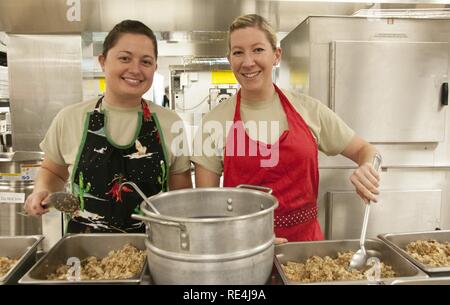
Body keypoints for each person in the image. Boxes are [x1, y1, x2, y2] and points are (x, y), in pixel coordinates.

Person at [191, 14, 380, 242]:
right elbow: (205, 207)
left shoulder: (309, 110)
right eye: (238, 52)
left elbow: (366, 150)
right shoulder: (215, 122)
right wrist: (243, 237)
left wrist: (367, 166)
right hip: (243, 249)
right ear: (230, 59)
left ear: (276, 55)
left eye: (258, 50)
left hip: (305, 252)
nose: (248, 61)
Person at [24, 20, 192, 233]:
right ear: (103, 61)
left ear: (154, 68)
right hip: (86, 254)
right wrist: (42, 190)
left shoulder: (170, 122)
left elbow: (182, 196)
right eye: (124, 58)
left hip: (156, 249)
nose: (135, 69)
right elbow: (53, 171)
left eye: (146, 62)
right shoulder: (70, 118)